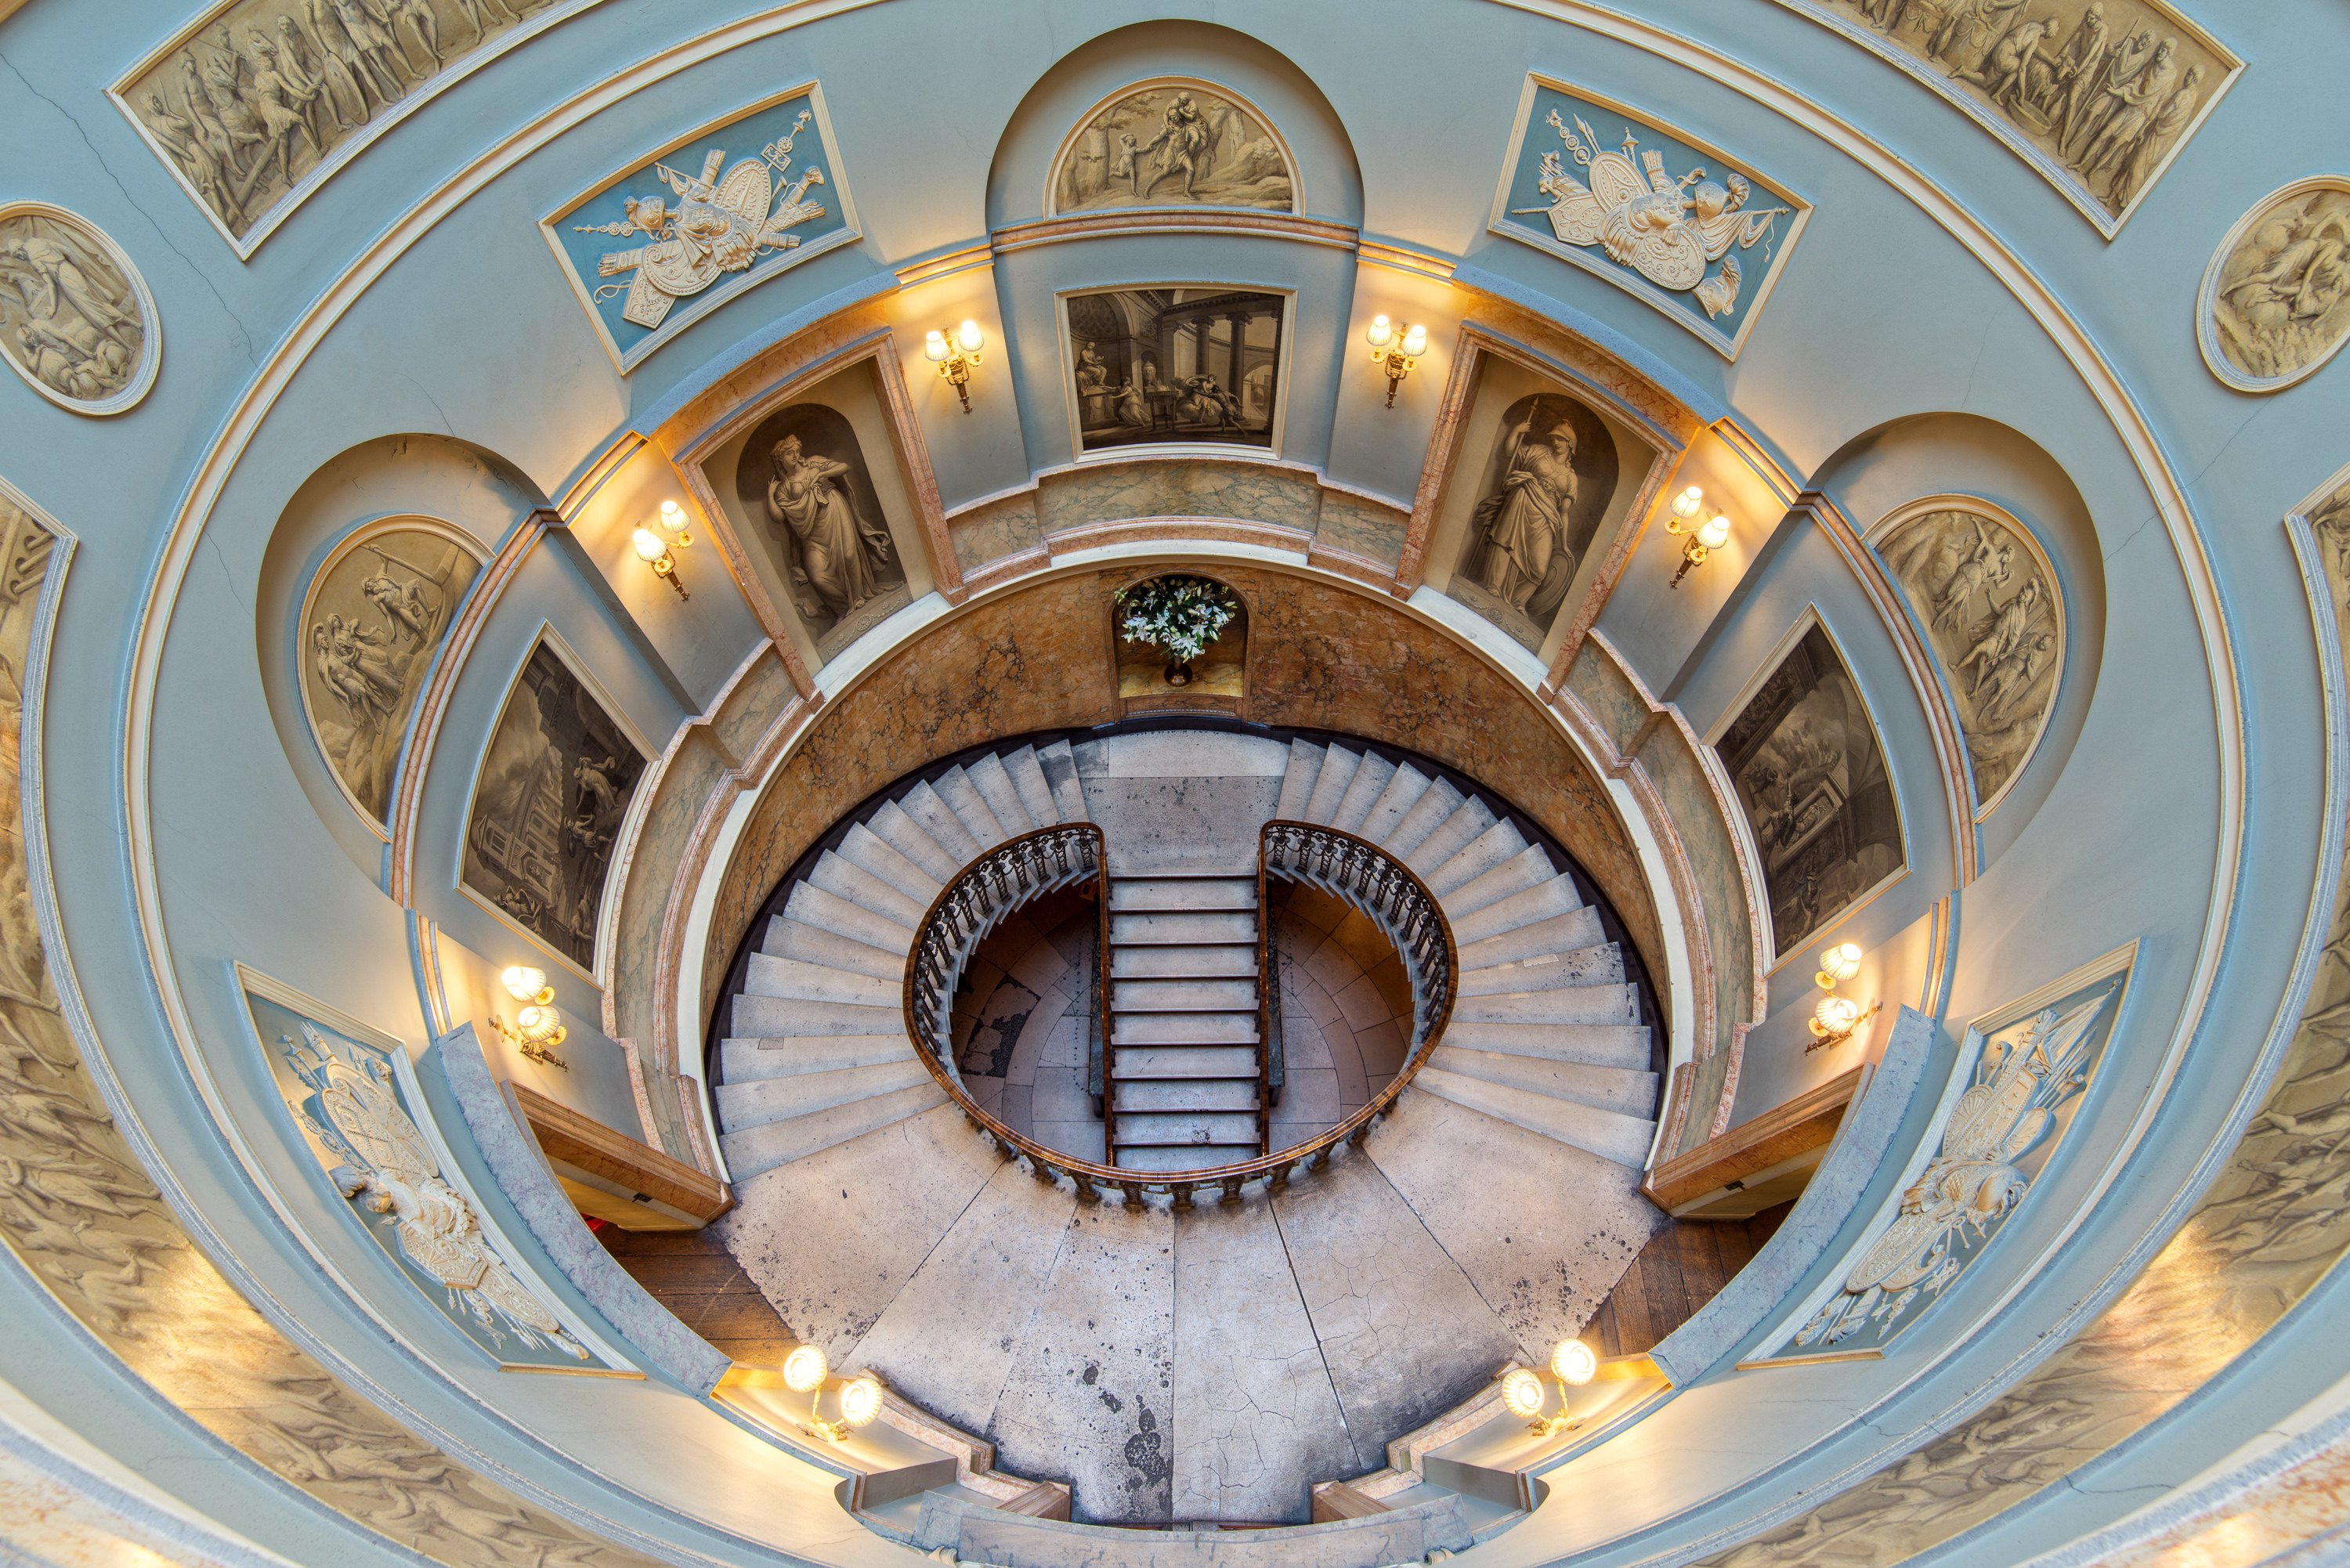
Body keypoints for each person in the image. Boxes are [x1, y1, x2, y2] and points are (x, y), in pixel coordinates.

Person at [765, 434, 893, 621]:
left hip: (834, 511)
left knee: (849, 555)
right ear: (780, 459)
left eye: (796, 451)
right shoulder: (784, 488)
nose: (795, 455)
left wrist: (821, 474)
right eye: (789, 453)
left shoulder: (813, 463)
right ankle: (845, 608)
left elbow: (843, 467)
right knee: (818, 577)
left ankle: (858, 598)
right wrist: (770, 495)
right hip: (812, 533)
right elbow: (778, 517)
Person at [1470, 421, 1579, 617]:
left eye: (1561, 439)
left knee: (1539, 567)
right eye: (1554, 437)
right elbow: (1511, 452)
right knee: (1505, 541)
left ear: (1570, 444)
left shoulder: (1571, 478)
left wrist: (1563, 544)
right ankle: (1493, 585)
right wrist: (1516, 430)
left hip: (1546, 518)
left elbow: (1564, 512)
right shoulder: (1538, 451)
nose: (1556, 442)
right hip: (1522, 500)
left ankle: (1518, 601)